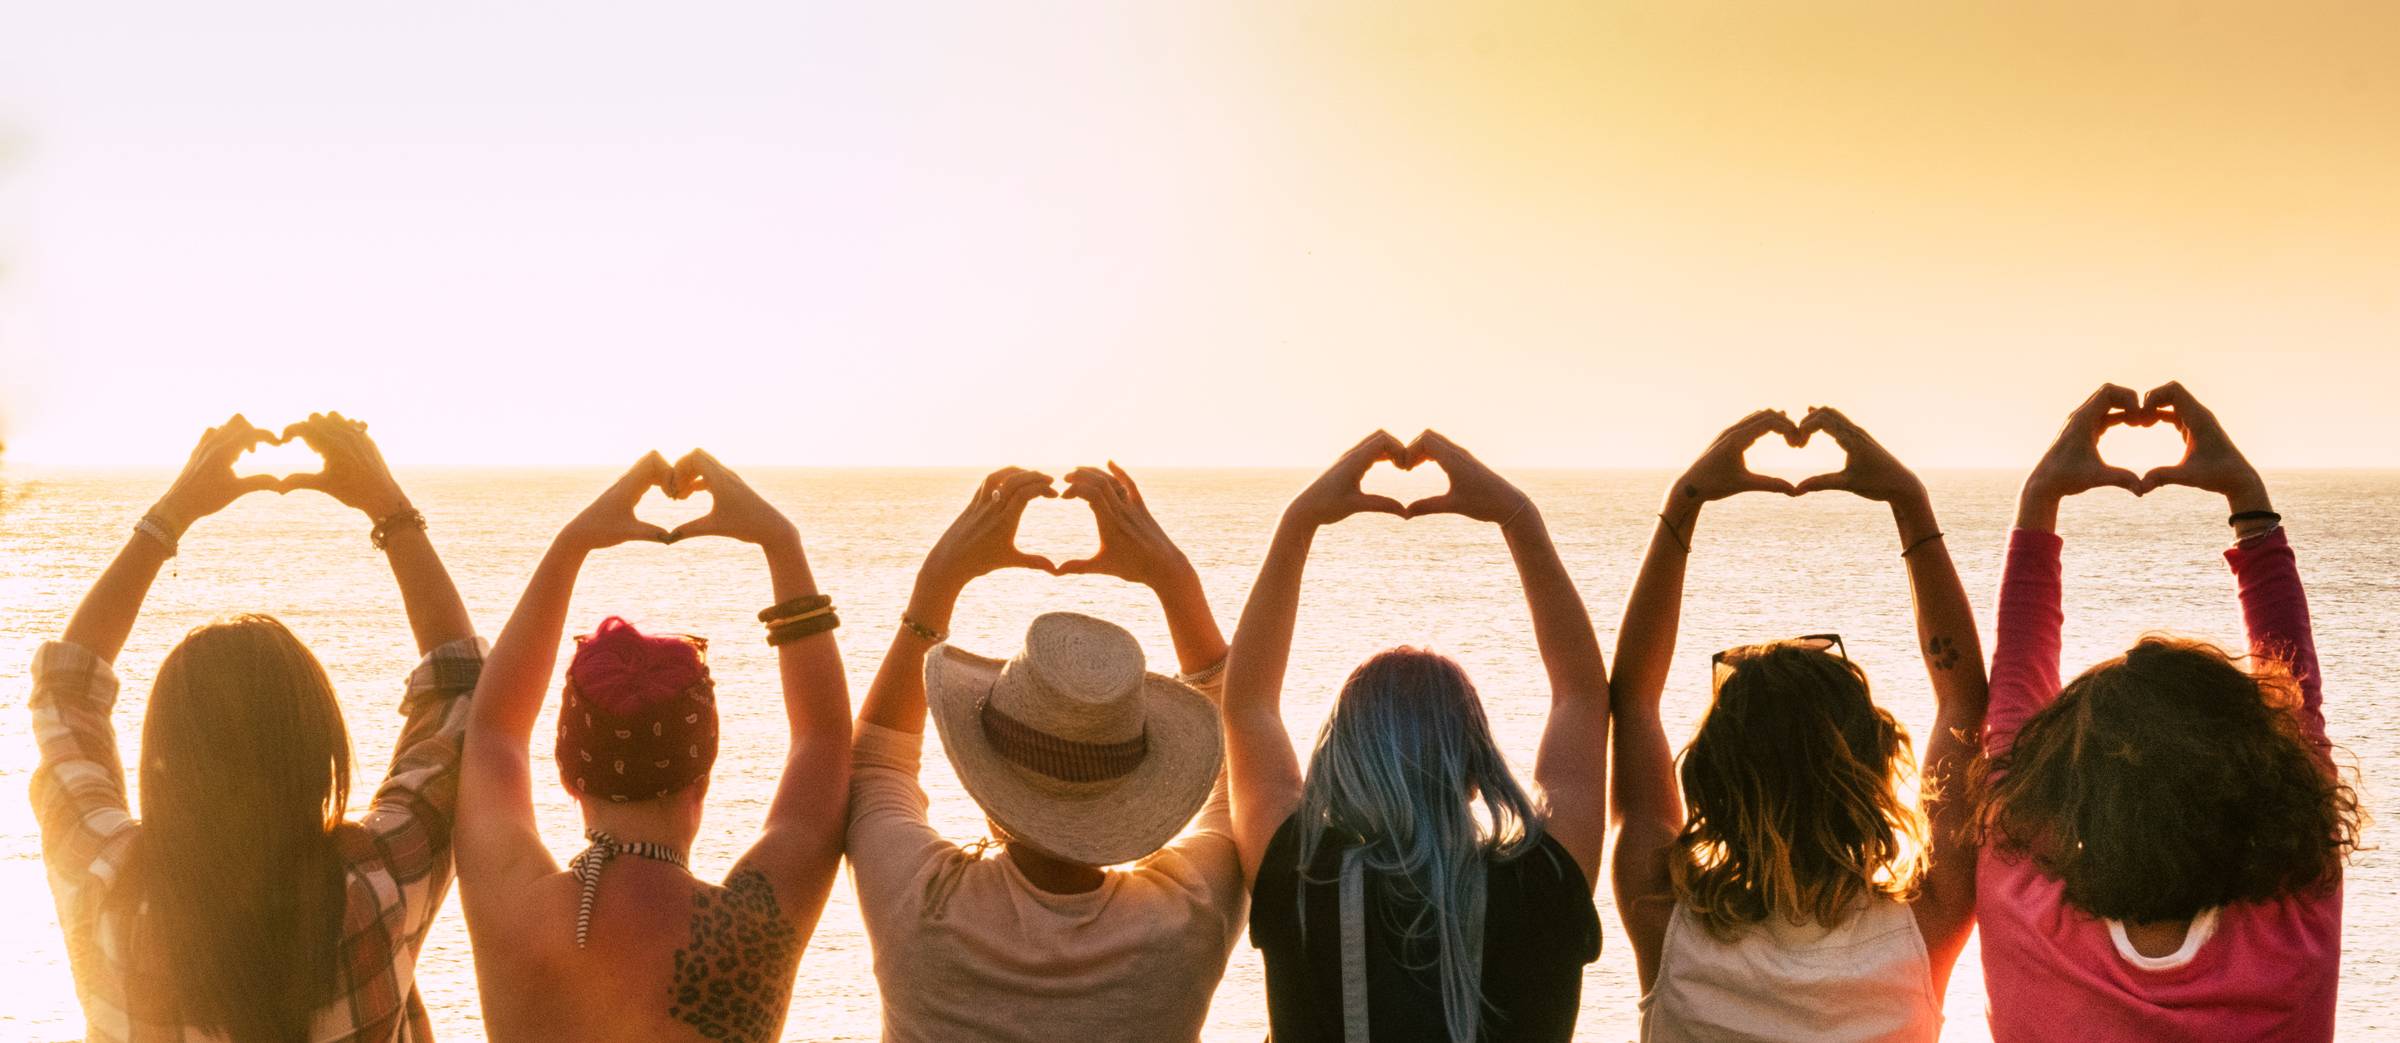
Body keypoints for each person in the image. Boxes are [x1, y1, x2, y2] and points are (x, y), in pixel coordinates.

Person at [29, 413, 483, 1042]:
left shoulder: (108, 885)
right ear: (320, 755)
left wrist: (171, 515)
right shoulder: (376, 890)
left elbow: (67, 694)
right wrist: (390, 509)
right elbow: (463, 692)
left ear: (166, 756)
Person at [1971, 383, 2361, 1041]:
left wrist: (2041, 497)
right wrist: (2247, 498)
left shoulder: (2026, 907)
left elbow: (2012, 700)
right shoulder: (2292, 921)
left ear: (2067, 784)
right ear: (2262, 777)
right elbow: (2300, 707)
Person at [1607, 408, 1988, 1042]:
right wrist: (1909, 504)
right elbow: (1964, 705)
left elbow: (1634, 704)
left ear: (1712, 776)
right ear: (1872, 766)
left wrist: (1686, 502)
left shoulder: (1666, 922)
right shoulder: (1923, 930)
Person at [1222, 430, 1609, 1043]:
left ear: (1341, 761)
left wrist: (1299, 523)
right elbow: (1584, 698)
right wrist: (1517, 518)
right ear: (1477, 770)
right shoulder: (1543, 882)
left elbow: (1247, 708)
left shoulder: (1300, 874)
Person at [453, 450, 851, 1043]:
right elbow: (824, 741)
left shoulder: (516, 909)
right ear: (704, 775)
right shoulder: (752, 928)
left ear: (568, 776)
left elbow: (494, 732)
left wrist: (572, 546)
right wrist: (780, 541)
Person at [845, 464, 1241, 1042]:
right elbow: (1240, 775)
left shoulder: (920, 904)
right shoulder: (1185, 921)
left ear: (986, 783)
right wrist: (1174, 581)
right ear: (1137, 785)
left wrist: (939, 582)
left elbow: (875, 760)